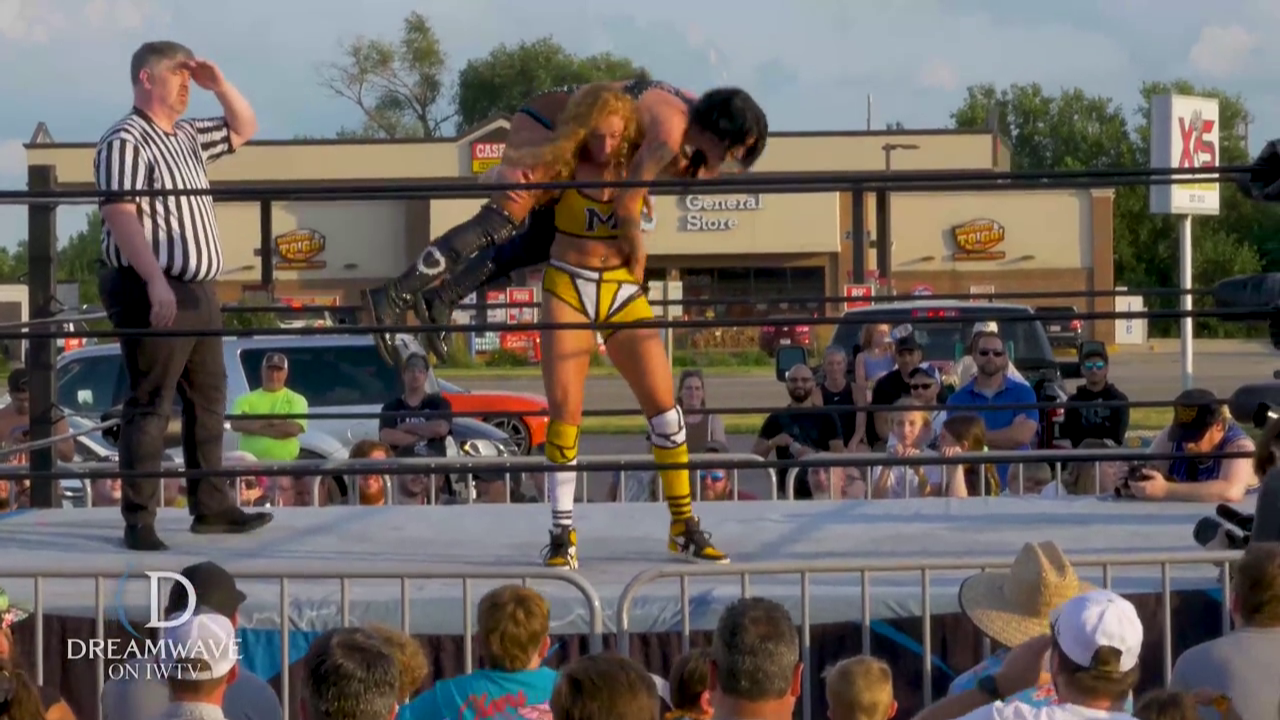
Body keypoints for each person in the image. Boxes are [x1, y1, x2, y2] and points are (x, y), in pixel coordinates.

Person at [362, 80, 768, 365]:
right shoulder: (671, 132)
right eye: (735, 151)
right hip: (549, 124)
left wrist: (642, 187)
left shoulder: (688, 112)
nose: (731, 162)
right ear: (719, 134)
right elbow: (626, 204)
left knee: (540, 240)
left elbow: (635, 166)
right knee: (502, 217)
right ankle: (394, 294)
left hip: (579, 135)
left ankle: (442, 298)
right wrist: (638, 265)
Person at [512, 84, 724, 568]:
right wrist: (513, 182)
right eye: (595, 136)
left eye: (612, 136)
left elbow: (699, 165)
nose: (604, 146)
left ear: (625, 131)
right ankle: (562, 534)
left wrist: (708, 128)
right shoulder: (563, 163)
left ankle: (683, 526)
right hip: (569, 284)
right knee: (565, 413)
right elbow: (516, 185)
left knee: (666, 412)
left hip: (623, 289)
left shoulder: (642, 159)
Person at [94, 40, 267, 551]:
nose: (187, 85)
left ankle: (211, 507)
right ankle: (140, 520)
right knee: (151, 401)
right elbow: (120, 212)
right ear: (147, 78)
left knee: (209, 398)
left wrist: (220, 84)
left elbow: (245, 127)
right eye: (178, 75)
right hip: (150, 283)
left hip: (197, 287)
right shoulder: (126, 139)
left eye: (190, 78)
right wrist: (153, 279)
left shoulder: (188, 136)